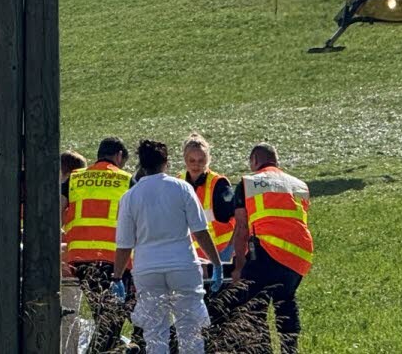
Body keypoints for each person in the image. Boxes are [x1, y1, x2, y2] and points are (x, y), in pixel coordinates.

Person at [113, 140, 223, 354]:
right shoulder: (182, 188)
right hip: (183, 266)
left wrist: (117, 277)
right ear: (167, 163)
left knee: (155, 333)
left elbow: (124, 244)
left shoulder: (130, 197)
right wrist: (217, 263)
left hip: (147, 269)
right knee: (190, 329)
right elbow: (200, 231)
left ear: (142, 165)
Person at [229, 143, 313, 354]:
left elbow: (241, 227)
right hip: (299, 254)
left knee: (253, 306)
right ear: (276, 161)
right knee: (285, 301)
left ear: (254, 161)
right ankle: (289, 349)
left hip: (267, 251)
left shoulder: (249, 183)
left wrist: (239, 266)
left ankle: (261, 350)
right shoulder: (299, 185)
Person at [61, 137, 134, 354]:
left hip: (80, 260)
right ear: (119, 156)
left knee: (106, 318)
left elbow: (57, 209)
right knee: (112, 320)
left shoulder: (75, 178)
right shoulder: (125, 179)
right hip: (114, 260)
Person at [178, 132, 236, 344]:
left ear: (208, 160)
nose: (196, 165)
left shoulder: (219, 183)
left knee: (217, 305)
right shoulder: (177, 183)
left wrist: (225, 255)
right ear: (184, 159)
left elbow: (234, 219)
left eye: (201, 160)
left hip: (217, 253)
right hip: (189, 254)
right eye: (192, 160)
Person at [58, 151, 88, 354]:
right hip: (81, 258)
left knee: (67, 316)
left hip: (67, 261)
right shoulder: (86, 194)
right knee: (71, 315)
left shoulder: (66, 192)